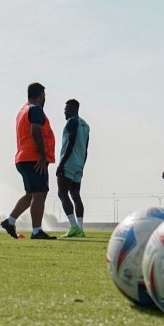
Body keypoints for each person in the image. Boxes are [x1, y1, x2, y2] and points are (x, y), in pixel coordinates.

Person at [1, 82, 57, 240]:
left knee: (31, 194)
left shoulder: (22, 110)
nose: (44, 99)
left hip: (22, 157)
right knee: (40, 193)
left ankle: (10, 221)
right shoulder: (36, 109)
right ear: (40, 96)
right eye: (44, 96)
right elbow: (36, 131)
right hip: (33, 157)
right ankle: (37, 231)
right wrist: (42, 155)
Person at [57, 99, 90, 238]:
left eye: (66, 109)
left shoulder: (72, 122)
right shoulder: (86, 125)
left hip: (68, 163)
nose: (64, 112)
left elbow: (70, 142)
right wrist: (82, 164)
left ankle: (74, 226)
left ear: (73, 108)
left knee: (62, 193)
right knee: (76, 195)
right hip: (79, 164)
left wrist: (61, 163)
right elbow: (86, 148)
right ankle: (80, 229)